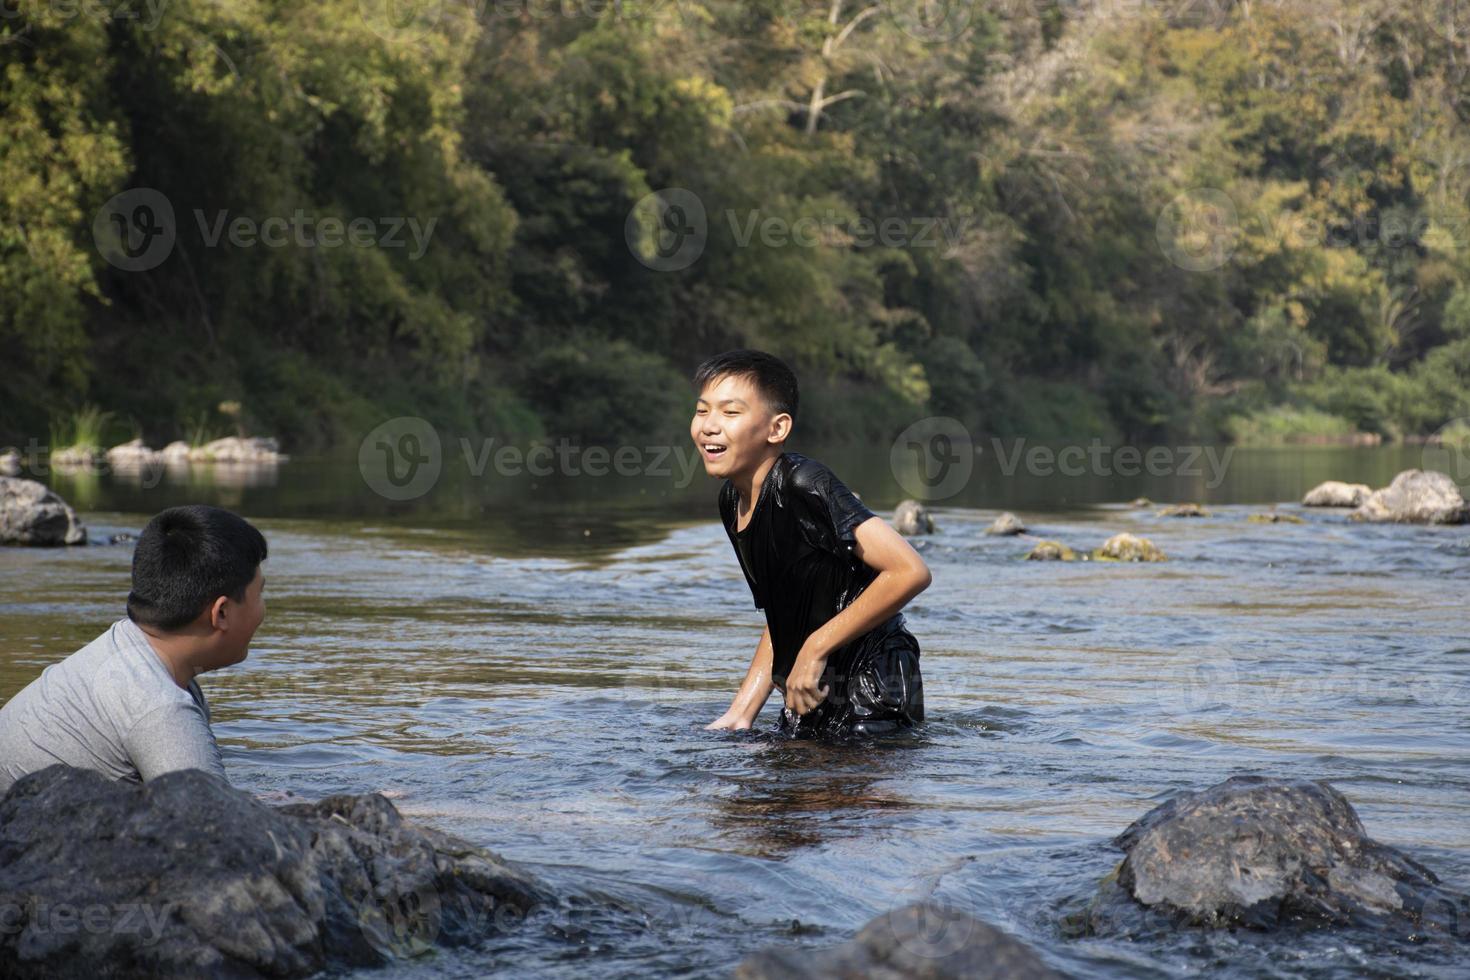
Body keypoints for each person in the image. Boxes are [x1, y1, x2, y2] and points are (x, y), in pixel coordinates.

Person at [694, 350, 932, 737]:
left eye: (730, 413)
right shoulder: (732, 500)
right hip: (812, 685)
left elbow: (910, 571)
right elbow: (782, 609)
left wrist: (815, 647)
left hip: (873, 681)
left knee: (828, 793)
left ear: (777, 428)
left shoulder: (804, 483)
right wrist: (740, 712)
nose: (709, 426)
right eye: (703, 411)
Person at [0, 505, 267, 793]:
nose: (264, 608)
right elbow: (213, 826)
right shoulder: (160, 708)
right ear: (222, 613)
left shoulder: (129, 649)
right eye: (261, 593)